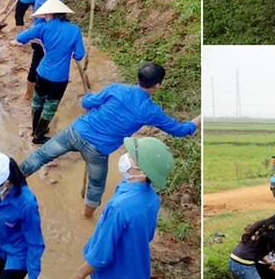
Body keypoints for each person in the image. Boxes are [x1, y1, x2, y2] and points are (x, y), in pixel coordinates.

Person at [20, 62, 200, 218]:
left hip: (75, 132)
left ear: (139, 77)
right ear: (158, 85)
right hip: (98, 150)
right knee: (96, 186)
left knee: (42, 155)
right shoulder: (151, 111)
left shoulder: (117, 89)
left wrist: (90, 96)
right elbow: (181, 130)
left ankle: (12, 179)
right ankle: (86, 216)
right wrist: (200, 118)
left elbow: (87, 103)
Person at [66, 137, 173, 279]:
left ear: (142, 172)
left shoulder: (119, 207)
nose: (125, 158)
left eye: (132, 157)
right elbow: (149, 235)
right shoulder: (152, 199)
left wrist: (79, 275)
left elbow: (101, 256)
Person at [14, 0, 86, 144]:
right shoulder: (74, 30)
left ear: (51, 14)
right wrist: (70, 51)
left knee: (37, 101)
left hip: (42, 72)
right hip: (60, 78)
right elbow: (79, 55)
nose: (44, 17)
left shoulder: (42, 28)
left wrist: (39, 40)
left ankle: (35, 130)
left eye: (46, 15)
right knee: (50, 106)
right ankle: (38, 136)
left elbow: (20, 38)